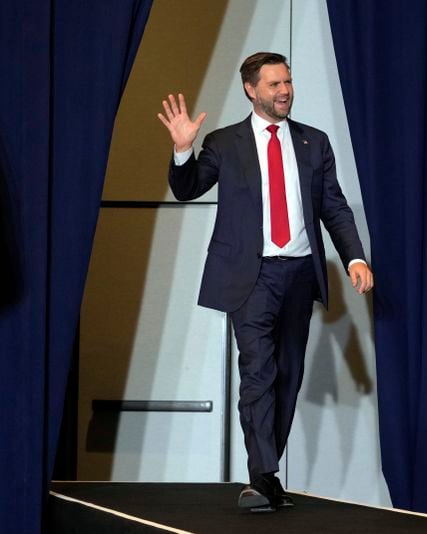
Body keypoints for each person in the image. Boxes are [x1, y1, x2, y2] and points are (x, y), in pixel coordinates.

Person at [157, 52, 374, 512]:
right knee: (258, 372)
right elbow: (188, 187)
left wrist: (354, 257)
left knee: (287, 376)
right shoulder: (224, 143)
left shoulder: (314, 142)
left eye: (288, 82)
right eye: (274, 83)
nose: (284, 91)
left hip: (298, 274)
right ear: (251, 90)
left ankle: (263, 473)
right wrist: (182, 151)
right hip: (250, 277)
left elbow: (333, 206)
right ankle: (264, 475)